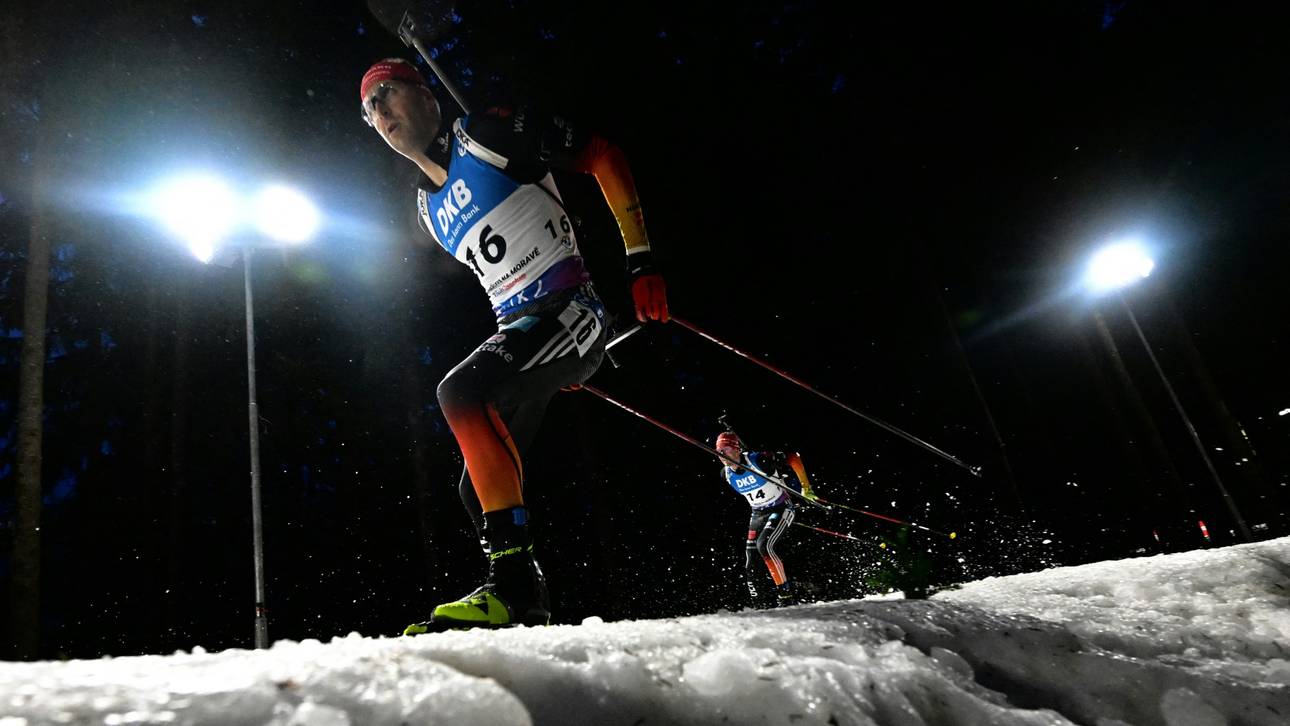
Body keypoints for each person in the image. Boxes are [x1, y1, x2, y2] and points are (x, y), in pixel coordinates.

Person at [358, 57, 669, 632]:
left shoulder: (486, 134)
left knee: (459, 394)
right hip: (527, 329)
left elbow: (602, 155)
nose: (380, 111)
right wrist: (538, 366)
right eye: (370, 107)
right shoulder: (425, 210)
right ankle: (524, 600)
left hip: (570, 310)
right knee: (474, 490)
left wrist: (640, 262)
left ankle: (513, 591)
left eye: (389, 93)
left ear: (426, 96)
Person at [714, 430, 817, 607]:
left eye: (727, 450)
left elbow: (793, 457)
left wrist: (806, 488)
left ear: (737, 449)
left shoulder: (759, 460)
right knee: (751, 559)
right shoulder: (726, 474)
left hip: (781, 507)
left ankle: (786, 597)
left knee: (765, 546)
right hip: (758, 513)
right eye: (719, 452)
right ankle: (758, 604)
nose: (723, 456)